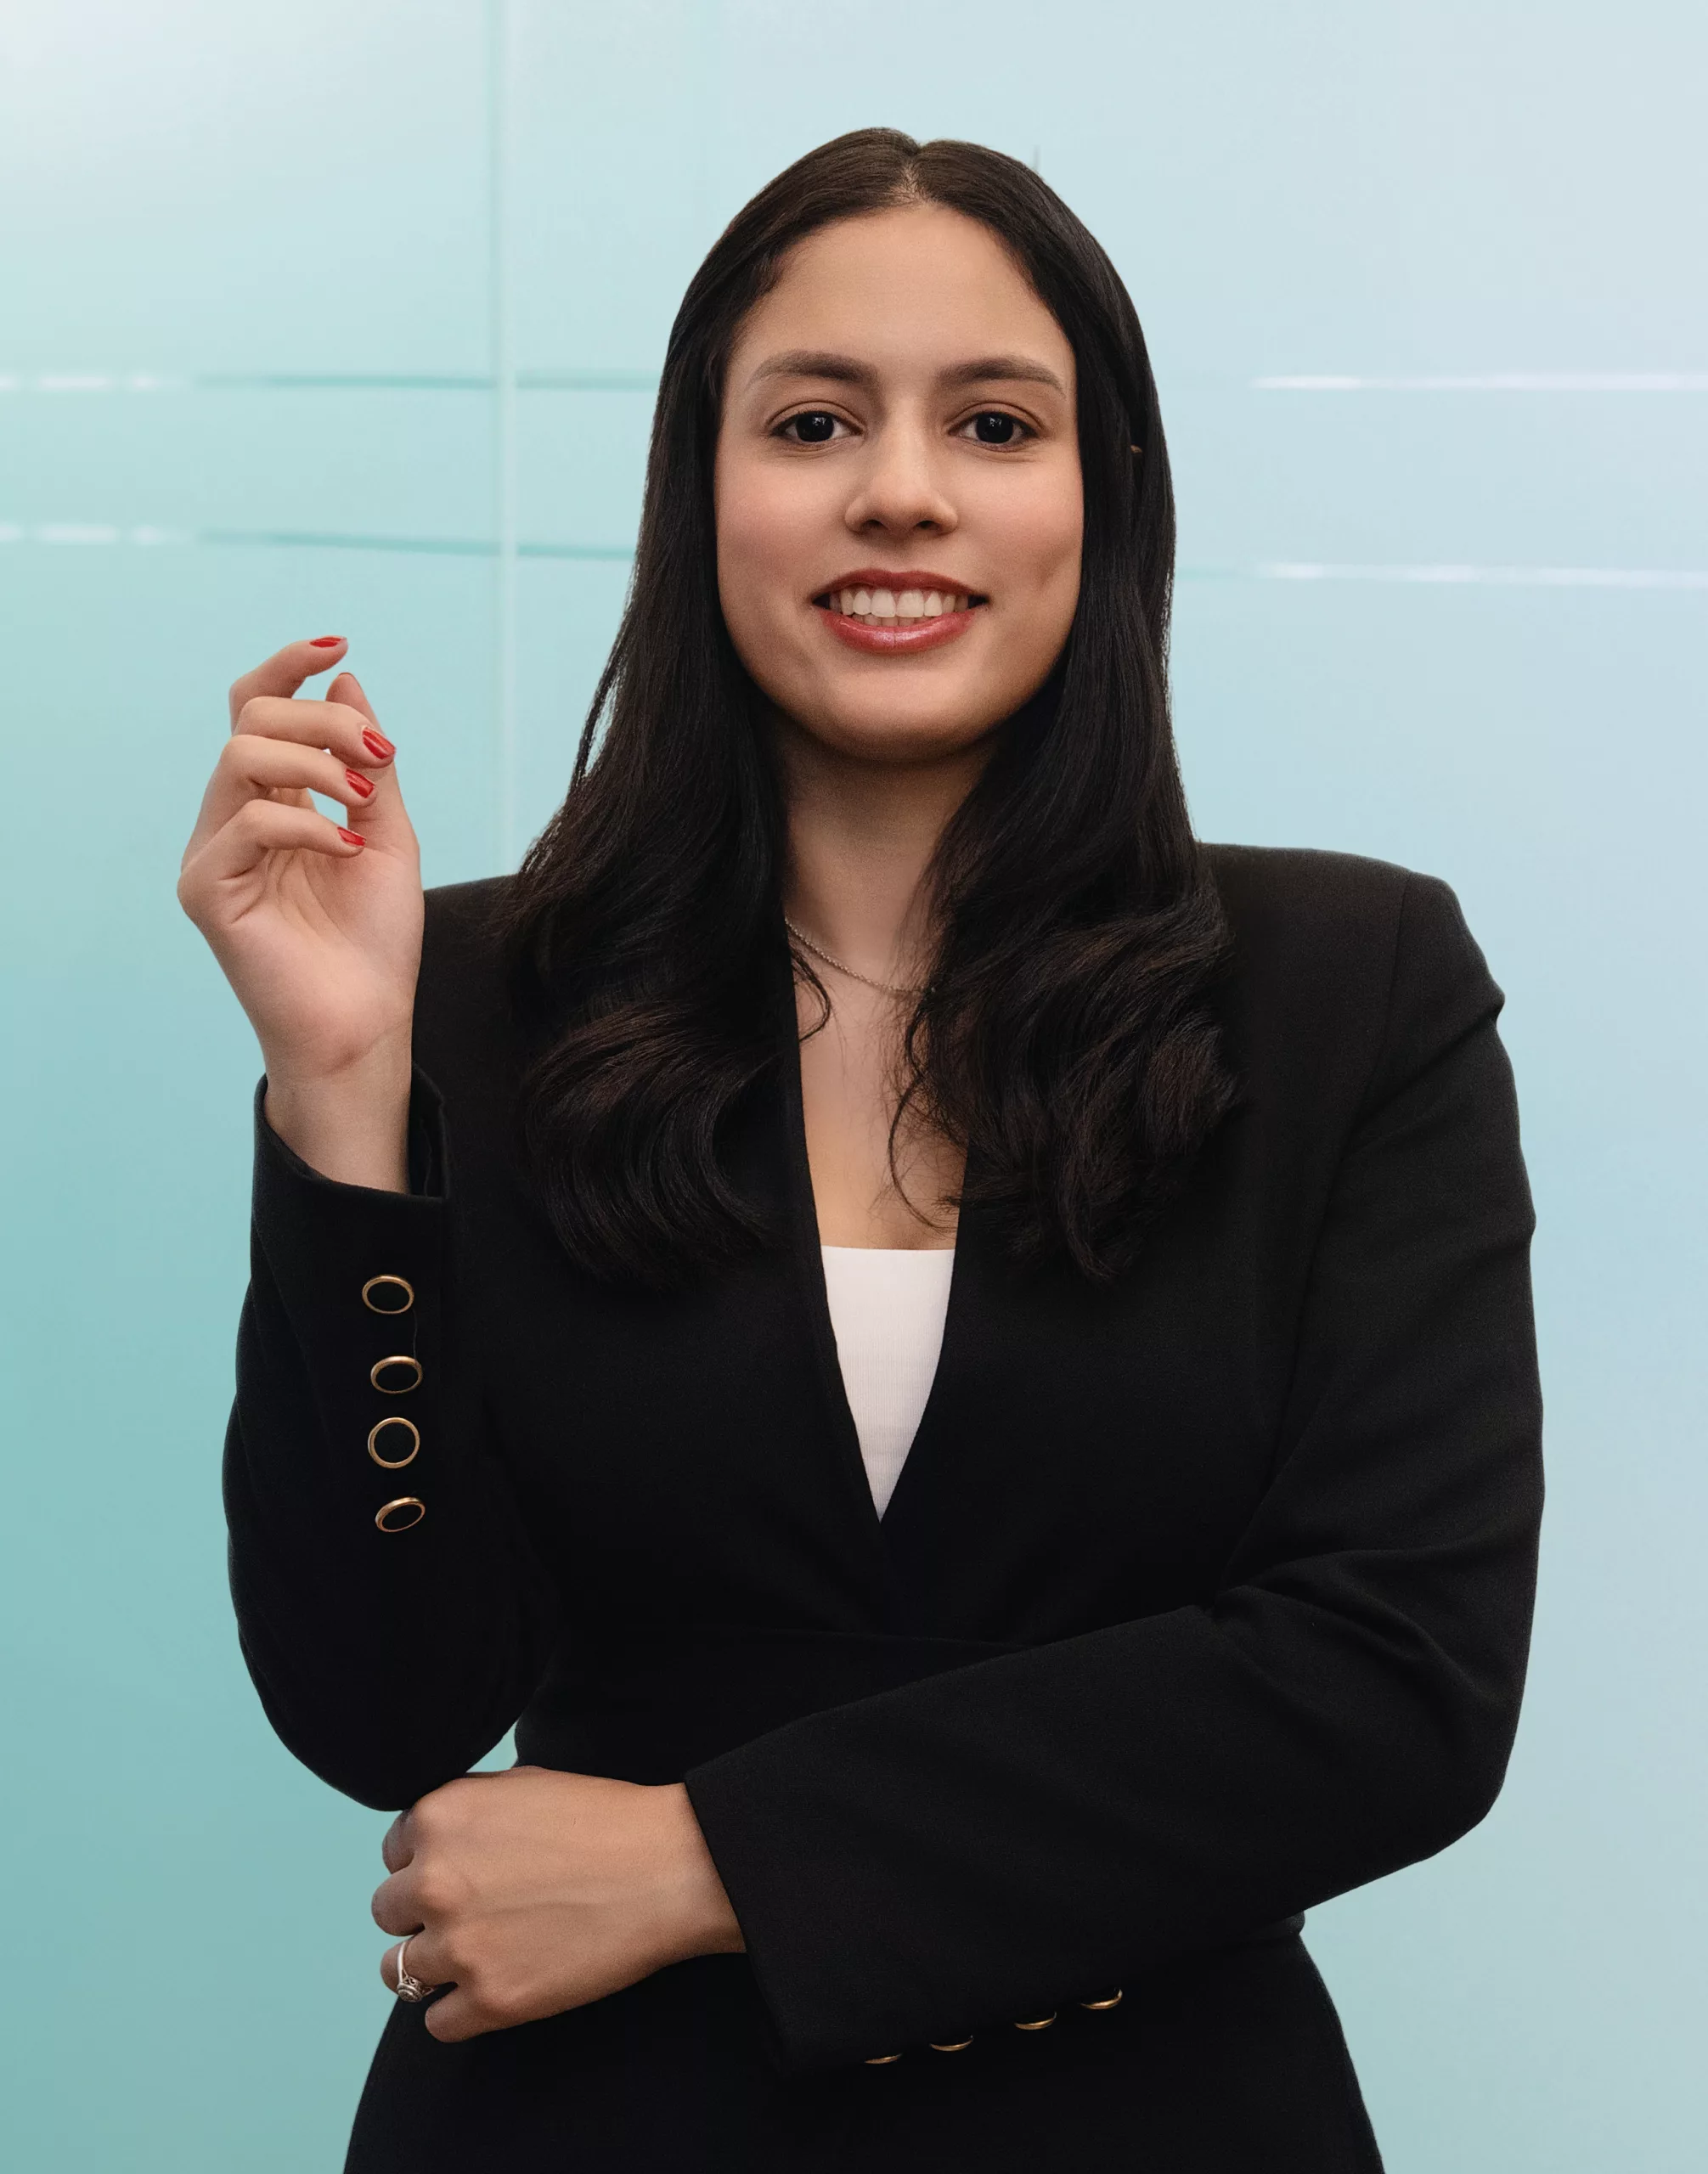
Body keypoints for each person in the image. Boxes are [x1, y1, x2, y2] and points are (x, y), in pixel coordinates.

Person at [178, 128, 1542, 2173]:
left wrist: (707, 1860)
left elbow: (1395, 1676)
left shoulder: (1355, 987)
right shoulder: (455, 991)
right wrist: (347, 1098)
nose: (901, 489)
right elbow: (380, 1710)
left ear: (1104, 492)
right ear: (699, 488)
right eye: (813, 420)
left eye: (994, 422)